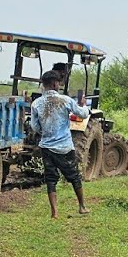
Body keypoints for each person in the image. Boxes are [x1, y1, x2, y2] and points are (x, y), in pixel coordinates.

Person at [29, 69, 90, 218]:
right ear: (55, 84)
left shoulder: (36, 104)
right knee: (74, 176)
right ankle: (82, 206)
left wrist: (46, 132)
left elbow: (35, 127)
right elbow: (82, 114)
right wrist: (83, 105)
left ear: (44, 85)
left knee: (50, 178)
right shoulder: (66, 100)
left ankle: (54, 212)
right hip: (64, 147)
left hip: (46, 147)